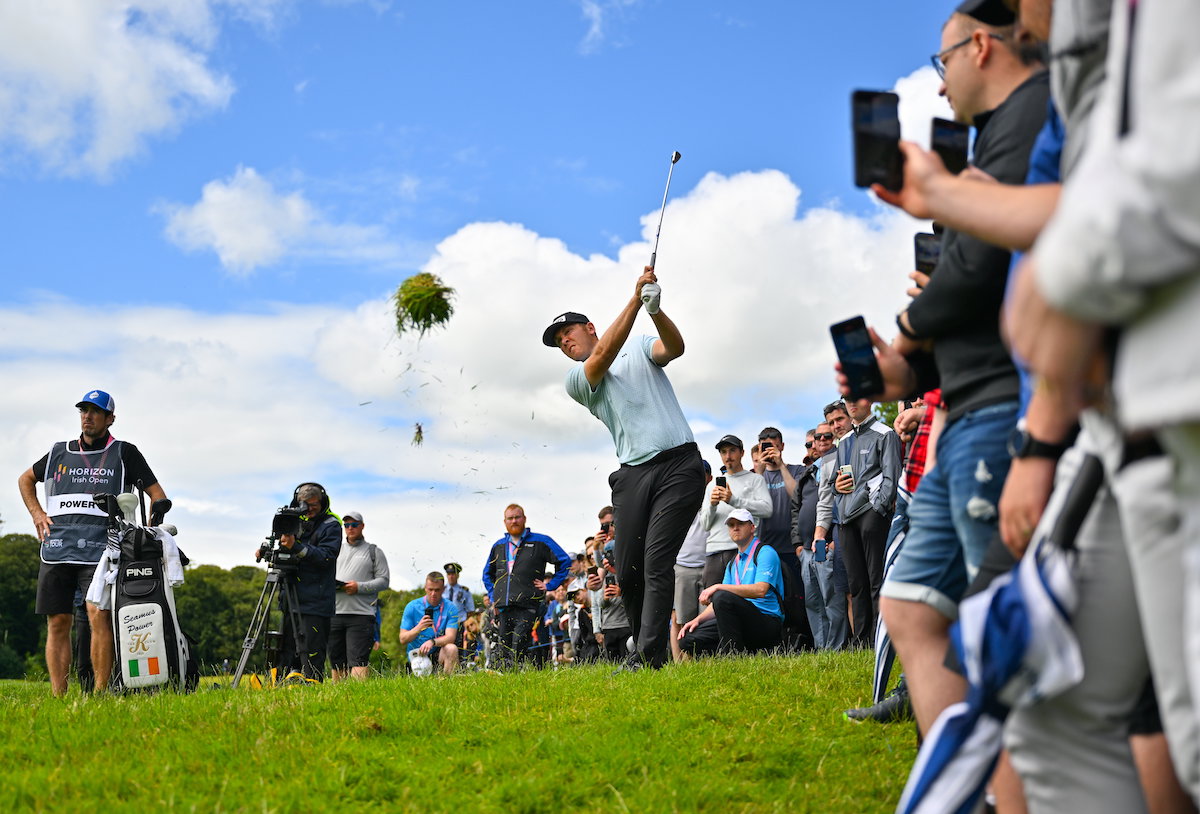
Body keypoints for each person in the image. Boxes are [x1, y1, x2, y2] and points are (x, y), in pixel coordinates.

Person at [852, 0, 1049, 738]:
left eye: (943, 63)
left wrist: (908, 329)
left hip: (1001, 405)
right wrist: (905, 370)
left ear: (983, 47)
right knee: (907, 607)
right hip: (961, 409)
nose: (940, 86)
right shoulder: (995, 138)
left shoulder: (1031, 120)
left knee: (997, 622)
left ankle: (1016, 779)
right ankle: (963, 772)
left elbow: (980, 267)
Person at [543, 265, 706, 670]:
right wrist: (636, 299)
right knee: (628, 569)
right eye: (560, 343)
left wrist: (654, 310)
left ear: (590, 327)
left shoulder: (638, 345)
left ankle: (646, 656)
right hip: (632, 474)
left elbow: (675, 348)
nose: (565, 344)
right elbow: (602, 356)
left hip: (680, 465)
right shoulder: (577, 379)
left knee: (655, 561)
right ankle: (646, 652)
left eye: (569, 335)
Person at [17, 389, 168, 696]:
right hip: (57, 548)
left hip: (102, 551)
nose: (88, 416)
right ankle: (59, 695)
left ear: (109, 419)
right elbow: (25, 479)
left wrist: (151, 528)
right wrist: (37, 514)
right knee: (58, 621)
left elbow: (158, 495)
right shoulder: (60, 451)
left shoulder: (125, 452)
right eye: (84, 410)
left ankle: (100, 694)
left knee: (97, 614)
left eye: (95, 412)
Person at [820, 398, 901, 648]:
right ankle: (862, 642)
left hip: (871, 514)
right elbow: (836, 482)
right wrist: (835, 486)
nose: (852, 404)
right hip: (845, 518)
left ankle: (882, 640)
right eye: (849, 401)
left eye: (857, 398)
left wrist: (878, 510)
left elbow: (892, 477)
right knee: (856, 584)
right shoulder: (843, 441)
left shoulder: (885, 433)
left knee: (877, 579)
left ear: (870, 400)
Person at [262, 482, 342, 682]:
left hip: (316, 602)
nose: (309, 509)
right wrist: (267, 551)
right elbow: (281, 544)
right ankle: (280, 683)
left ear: (322, 501)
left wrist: (296, 546)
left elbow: (326, 557)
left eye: (314, 504)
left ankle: (312, 685)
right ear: (298, 502)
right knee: (285, 648)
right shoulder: (292, 519)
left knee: (311, 650)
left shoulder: (331, 525)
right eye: (305, 504)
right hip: (290, 597)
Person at [677, 509, 785, 656]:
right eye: (731, 524)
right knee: (688, 639)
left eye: (740, 523)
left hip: (766, 621)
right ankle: (738, 652)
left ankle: (733, 656)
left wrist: (718, 586)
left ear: (752, 527)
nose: (735, 528)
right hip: (740, 620)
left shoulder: (765, 552)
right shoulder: (733, 563)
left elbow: (761, 590)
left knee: (721, 596)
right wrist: (697, 620)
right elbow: (719, 603)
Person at [481, 504, 571, 670]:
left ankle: (517, 672)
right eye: (510, 518)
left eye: (517, 517)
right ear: (504, 521)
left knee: (519, 641)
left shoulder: (540, 541)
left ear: (524, 519)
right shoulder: (499, 546)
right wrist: (494, 597)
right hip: (503, 606)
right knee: (504, 646)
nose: (514, 521)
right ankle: (508, 679)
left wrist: (550, 585)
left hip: (528, 603)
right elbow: (487, 574)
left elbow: (565, 561)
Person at [791, 424, 842, 650]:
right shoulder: (807, 474)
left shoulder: (839, 464)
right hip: (806, 548)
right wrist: (798, 545)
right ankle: (823, 649)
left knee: (830, 596)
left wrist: (834, 541)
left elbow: (837, 505)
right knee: (813, 600)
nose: (819, 442)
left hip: (825, 544)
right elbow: (795, 510)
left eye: (826, 436)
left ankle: (836, 646)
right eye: (813, 440)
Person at [703, 435, 771, 587]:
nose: (728, 456)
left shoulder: (755, 480)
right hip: (714, 551)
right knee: (711, 604)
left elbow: (767, 510)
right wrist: (713, 505)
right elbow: (705, 525)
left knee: (743, 603)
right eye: (723, 452)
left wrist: (733, 500)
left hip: (743, 550)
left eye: (732, 450)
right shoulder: (711, 485)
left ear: (742, 452)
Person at [330, 511, 389, 682]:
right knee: (337, 662)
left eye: (354, 524)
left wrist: (359, 587)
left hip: (362, 614)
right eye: (346, 525)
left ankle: (358, 699)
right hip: (334, 612)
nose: (350, 528)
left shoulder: (374, 552)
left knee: (358, 660)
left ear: (362, 526)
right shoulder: (335, 550)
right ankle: (338, 700)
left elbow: (384, 581)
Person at [672, 460, 712, 662]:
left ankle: (704, 663)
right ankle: (683, 664)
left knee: (705, 619)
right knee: (681, 618)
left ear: (709, 478)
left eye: (702, 474)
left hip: (708, 565)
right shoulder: (678, 499)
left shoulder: (714, 498)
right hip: (683, 565)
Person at [755, 427, 805, 579]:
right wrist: (759, 472)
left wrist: (781, 465)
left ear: (782, 446)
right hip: (764, 547)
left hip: (792, 546)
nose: (770, 451)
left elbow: (797, 496)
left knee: (795, 596)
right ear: (759, 448)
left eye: (774, 447)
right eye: (765, 447)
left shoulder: (798, 470)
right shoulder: (755, 476)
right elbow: (752, 504)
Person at [399, 573, 460, 676]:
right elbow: (403, 639)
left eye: (437, 590)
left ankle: (447, 684)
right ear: (425, 588)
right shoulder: (412, 607)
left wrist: (433, 642)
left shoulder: (451, 607)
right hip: (417, 655)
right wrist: (419, 627)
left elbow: (451, 637)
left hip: (438, 652)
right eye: (430, 589)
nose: (433, 594)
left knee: (451, 648)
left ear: (443, 589)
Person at [443, 561, 475, 646]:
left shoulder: (465, 591)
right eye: (449, 574)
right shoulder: (441, 590)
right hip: (444, 623)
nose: (451, 576)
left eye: (453, 574)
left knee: (459, 648)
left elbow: (470, 610)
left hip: (459, 624)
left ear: (458, 575)